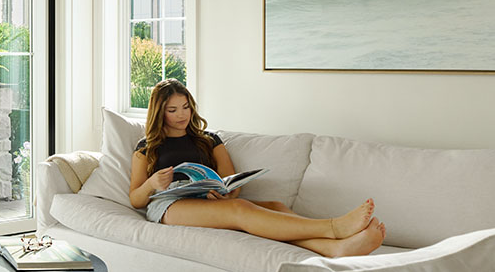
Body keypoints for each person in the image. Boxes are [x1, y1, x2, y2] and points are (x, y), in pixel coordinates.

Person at [129, 78, 385, 257]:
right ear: (159, 112)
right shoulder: (147, 147)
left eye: (185, 107)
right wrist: (152, 184)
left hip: (208, 200)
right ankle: (333, 229)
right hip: (170, 205)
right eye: (173, 110)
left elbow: (230, 180)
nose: (182, 115)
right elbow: (135, 199)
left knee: (276, 207)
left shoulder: (209, 140)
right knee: (240, 210)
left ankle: (333, 249)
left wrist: (226, 193)